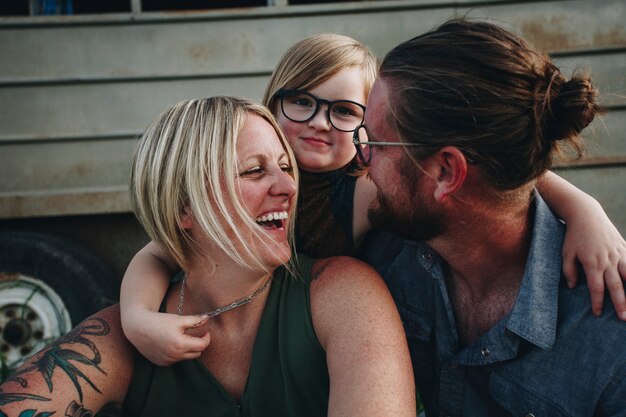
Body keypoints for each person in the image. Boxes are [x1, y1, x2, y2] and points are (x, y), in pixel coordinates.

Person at [120, 33, 626, 366]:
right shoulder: (236, 187)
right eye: (301, 102)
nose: (319, 122)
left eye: (346, 113)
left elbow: (489, 169)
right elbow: (162, 250)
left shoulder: (369, 192)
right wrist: (137, 318)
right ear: (271, 101)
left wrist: (584, 208)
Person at [0, 97, 416, 417]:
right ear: (185, 208)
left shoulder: (340, 293)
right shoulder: (124, 336)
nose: (289, 189)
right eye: (254, 171)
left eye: (287, 168)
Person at [358, 18, 626, 416]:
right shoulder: (381, 253)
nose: (361, 162)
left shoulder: (608, 335)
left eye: (374, 144)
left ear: (447, 172)